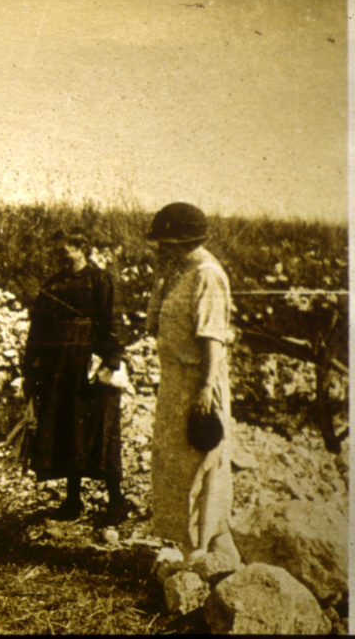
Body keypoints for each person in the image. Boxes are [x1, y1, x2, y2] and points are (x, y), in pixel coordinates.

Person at [145, 202, 241, 563]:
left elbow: (212, 339)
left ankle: (201, 551)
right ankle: (196, 547)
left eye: (164, 242)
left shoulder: (207, 274)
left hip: (198, 383)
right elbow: (152, 325)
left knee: (200, 461)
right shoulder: (179, 273)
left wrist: (205, 388)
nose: (160, 249)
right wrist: (158, 277)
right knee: (176, 464)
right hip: (176, 383)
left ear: (180, 240)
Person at [21, 227, 127, 526]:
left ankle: (116, 501)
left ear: (82, 248)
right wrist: (29, 370)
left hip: (89, 365)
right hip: (58, 368)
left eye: (66, 249)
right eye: (58, 250)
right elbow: (36, 330)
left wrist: (111, 361)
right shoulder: (53, 284)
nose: (61, 255)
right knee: (67, 429)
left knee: (100, 428)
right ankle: (72, 500)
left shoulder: (100, 280)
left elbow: (112, 321)